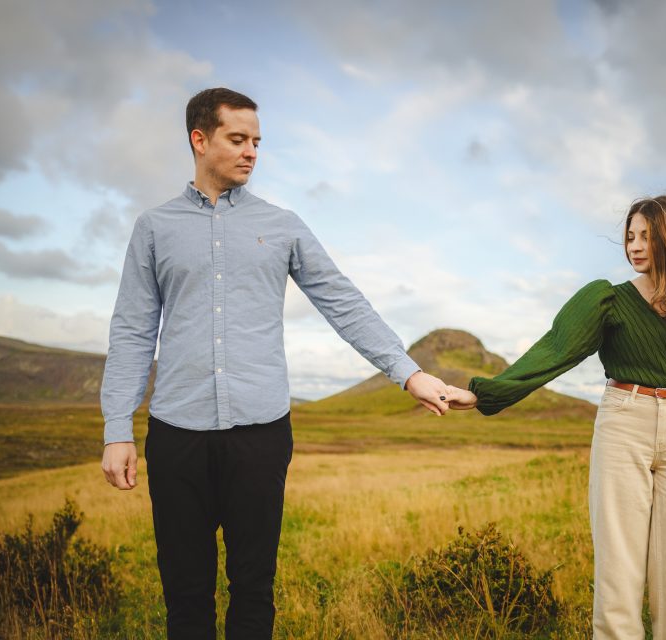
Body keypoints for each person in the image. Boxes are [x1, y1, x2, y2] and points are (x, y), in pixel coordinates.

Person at [100, 87, 451, 639]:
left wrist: (408, 372)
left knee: (253, 590)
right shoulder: (153, 227)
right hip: (177, 435)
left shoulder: (284, 225)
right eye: (237, 139)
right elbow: (132, 330)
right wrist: (117, 426)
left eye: (257, 142)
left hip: (260, 434)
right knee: (186, 596)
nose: (251, 152)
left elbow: (343, 301)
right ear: (199, 139)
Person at [444, 193, 666, 639]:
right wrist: (483, 394)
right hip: (624, 426)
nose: (634, 245)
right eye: (630, 235)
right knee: (619, 579)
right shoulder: (607, 300)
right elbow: (554, 350)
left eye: (647, 236)